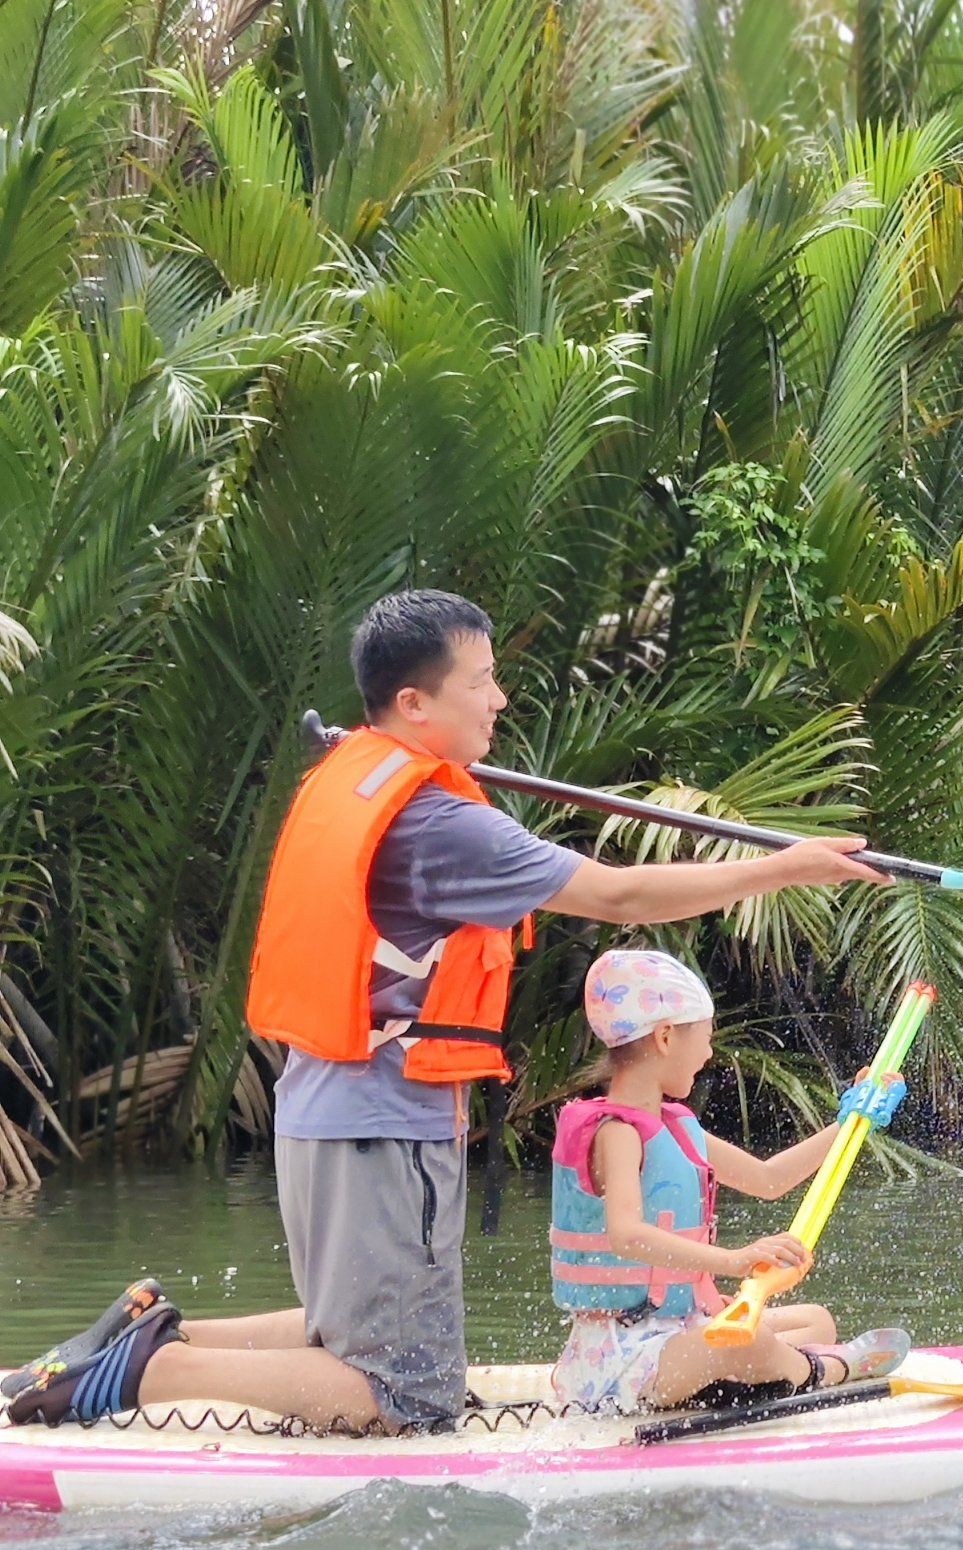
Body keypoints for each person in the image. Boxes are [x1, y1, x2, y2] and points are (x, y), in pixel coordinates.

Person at [4, 589, 885, 1431]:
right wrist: (784, 865)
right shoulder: (438, 823)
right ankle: (156, 1370)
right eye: (481, 681)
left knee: (344, 1335)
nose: (499, 698)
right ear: (413, 703)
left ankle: (151, 1333)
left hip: (322, 1111)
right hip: (385, 1123)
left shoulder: (359, 776)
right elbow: (621, 896)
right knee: (406, 1398)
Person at [551, 948, 909, 1412]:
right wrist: (736, 1261)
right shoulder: (617, 1132)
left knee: (816, 1320)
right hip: (623, 1357)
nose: (707, 1053)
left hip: (679, 1329)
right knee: (749, 1341)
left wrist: (853, 1119)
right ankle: (830, 1370)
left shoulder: (676, 1126)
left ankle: (787, 1365)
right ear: (664, 1038)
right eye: (704, 1037)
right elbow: (626, 1235)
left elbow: (769, 1178)